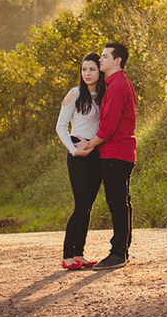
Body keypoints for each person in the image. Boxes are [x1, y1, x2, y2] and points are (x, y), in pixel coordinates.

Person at [86, 41, 137, 269]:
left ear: (117, 61)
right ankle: (122, 250)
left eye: (105, 56)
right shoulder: (117, 83)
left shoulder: (117, 86)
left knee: (117, 203)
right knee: (121, 202)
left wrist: (90, 144)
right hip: (119, 152)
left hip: (116, 152)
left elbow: (109, 125)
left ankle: (118, 253)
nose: (100, 60)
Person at [56, 52, 104, 270]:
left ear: (99, 71)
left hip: (97, 153)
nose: (87, 73)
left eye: (92, 69)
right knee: (81, 205)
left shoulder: (104, 95)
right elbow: (60, 126)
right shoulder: (75, 93)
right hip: (78, 154)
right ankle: (67, 255)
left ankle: (79, 254)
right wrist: (74, 151)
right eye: (84, 69)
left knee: (88, 206)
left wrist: (93, 147)